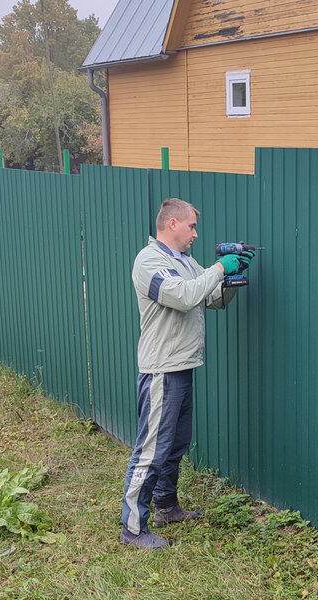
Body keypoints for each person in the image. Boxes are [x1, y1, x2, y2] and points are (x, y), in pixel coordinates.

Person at [120, 197, 253, 549]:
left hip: (183, 364)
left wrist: (233, 277)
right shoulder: (149, 261)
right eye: (192, 226)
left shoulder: (187, 262)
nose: (196, 233)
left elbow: (210, 300)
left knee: (175, 444)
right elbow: (182, 296)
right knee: (151, 450)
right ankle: (133, 528)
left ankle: (166, 506)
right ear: (172, 224)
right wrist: (220, 268)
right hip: (161, 368)